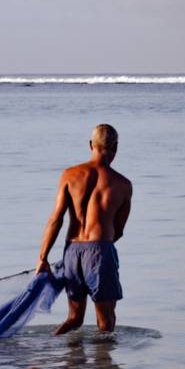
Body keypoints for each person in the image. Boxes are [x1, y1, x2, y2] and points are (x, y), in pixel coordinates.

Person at [35, 124, 132, 334]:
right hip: (99, 250)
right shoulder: (123, 184)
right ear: (115, 147)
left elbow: (55, 219)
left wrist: (42, 257)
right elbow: (119, 230)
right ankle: (102, 366)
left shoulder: (69, 175)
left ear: (90, 145)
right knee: (106, 324)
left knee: (74, 319)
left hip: (71, 252)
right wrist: (97, 252)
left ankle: (62, 357)